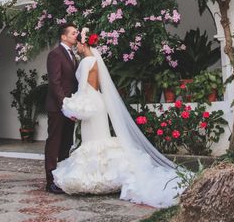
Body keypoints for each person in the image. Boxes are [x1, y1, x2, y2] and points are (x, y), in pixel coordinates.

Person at [52, 28, 186, 208]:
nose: (77, 47)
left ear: (84, 44)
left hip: (90, 104)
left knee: (92, 141)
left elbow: (82, 89)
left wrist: (73, 107)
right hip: (99, 102)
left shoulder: (85, 62)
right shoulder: (96, 61)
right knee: (102, 138)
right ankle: (108, 176)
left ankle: (96, 179)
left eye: (78, 44)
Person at [44, 23, 79, 194]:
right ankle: (50, 181)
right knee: (54, 142)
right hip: (57, 107)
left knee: (67, 142)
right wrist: (64, 103)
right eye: (73, 33)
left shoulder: (74, 55)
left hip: (70, 106)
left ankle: (62, 177)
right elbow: (55, 82)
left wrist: (74, 105)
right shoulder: (55, 54)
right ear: (63, 37)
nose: (76, 35)